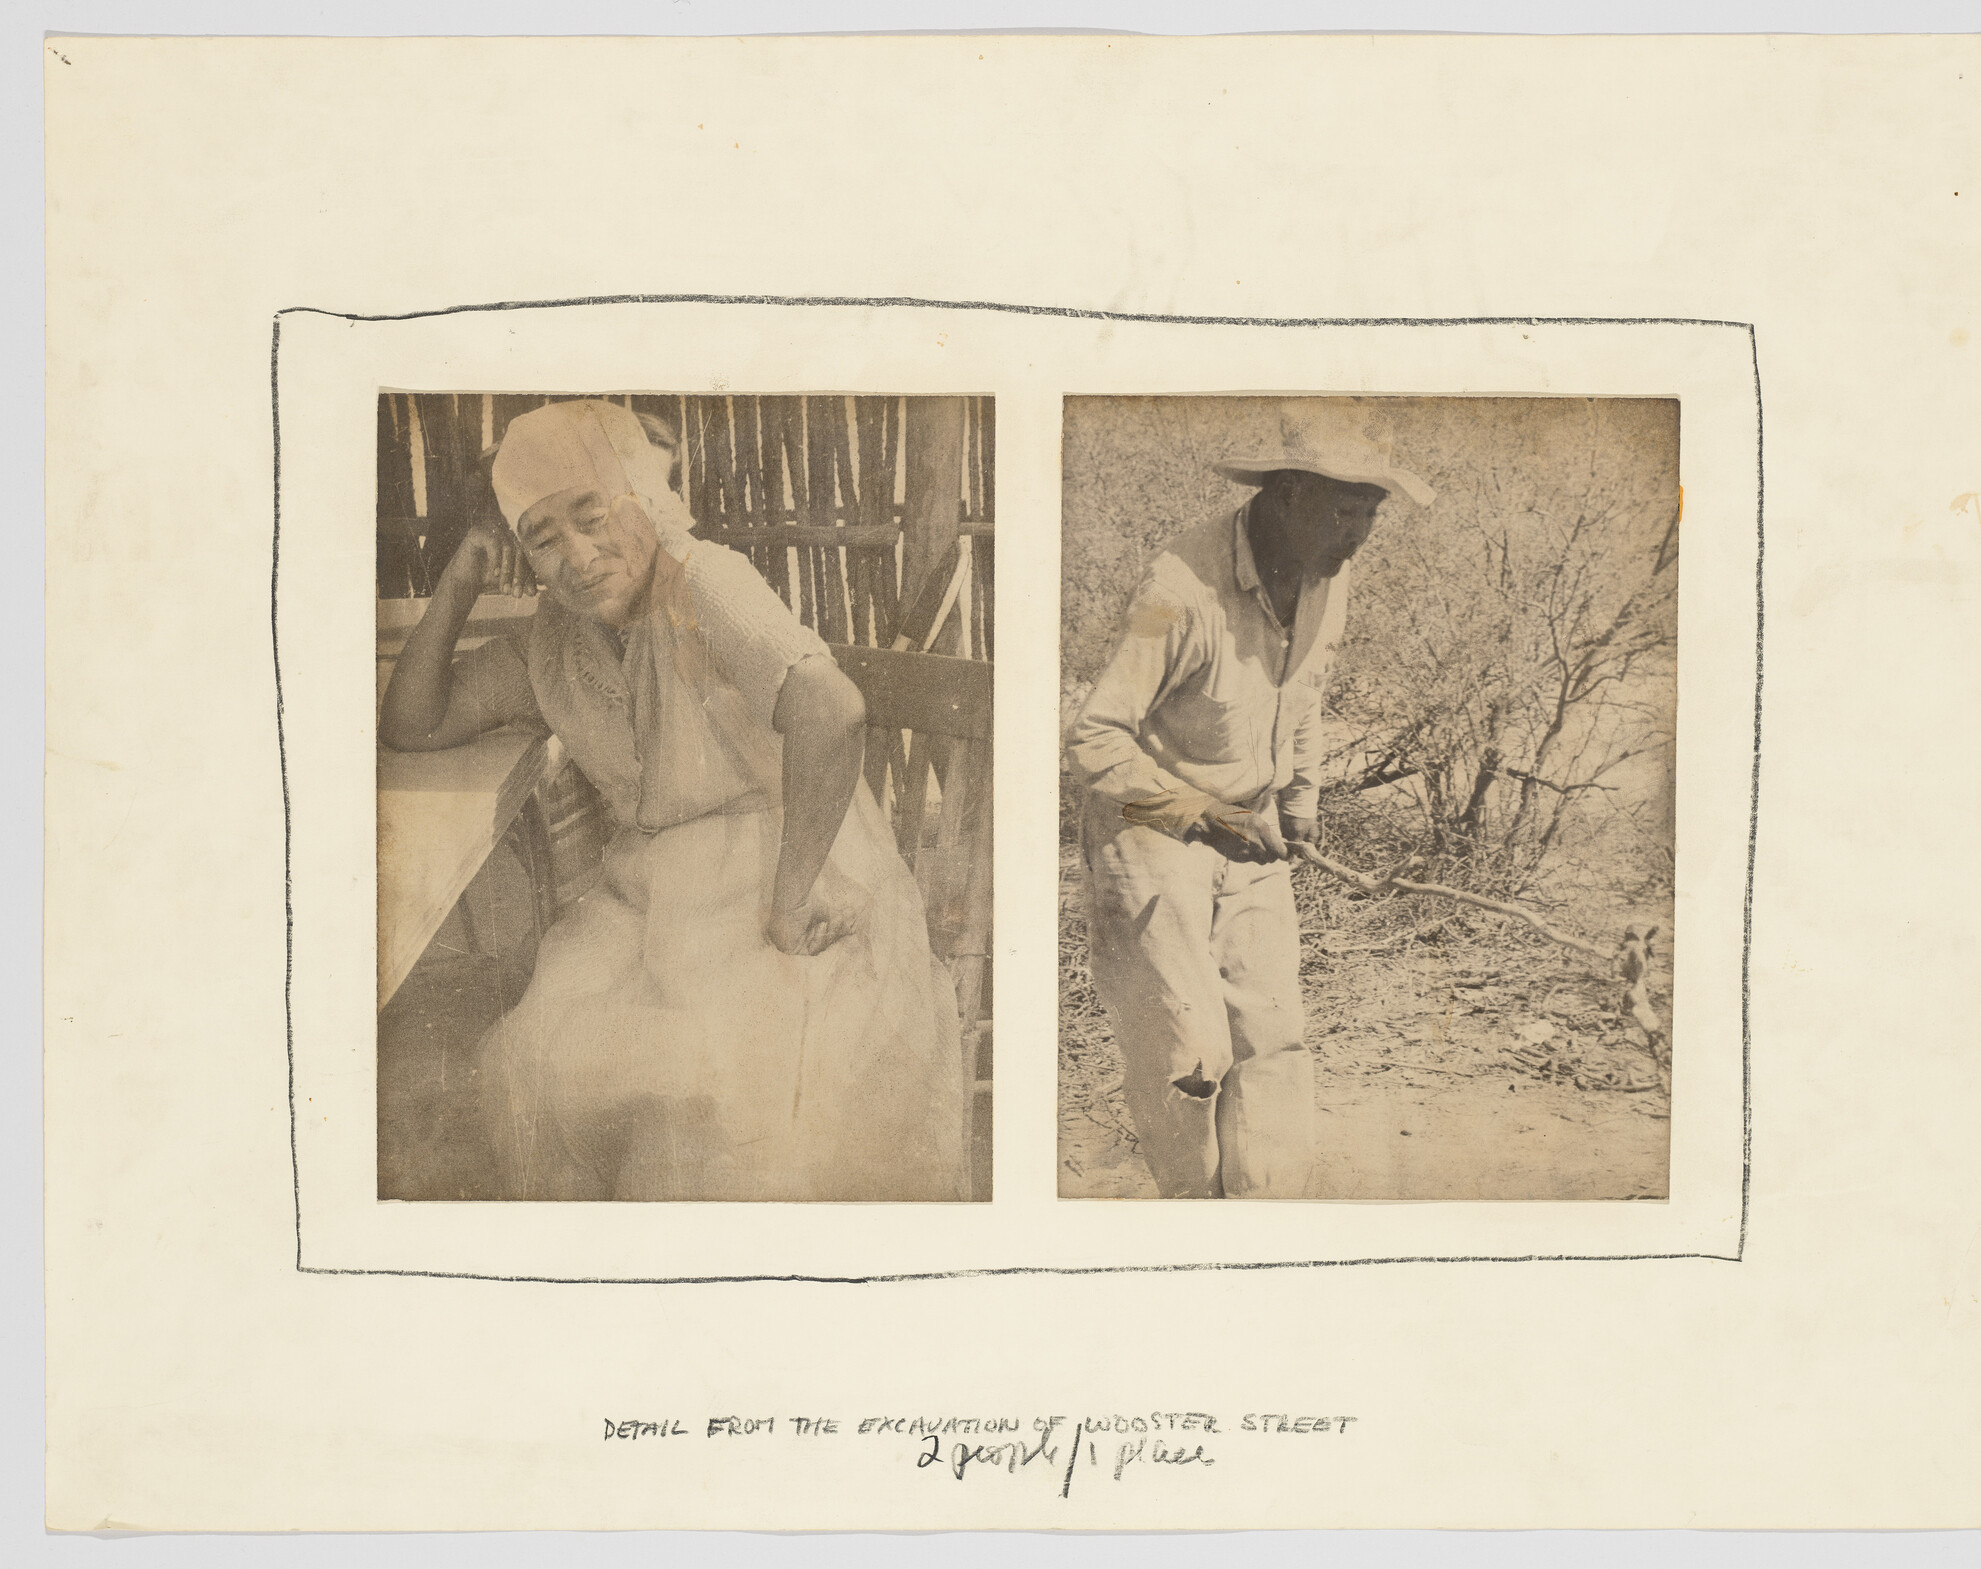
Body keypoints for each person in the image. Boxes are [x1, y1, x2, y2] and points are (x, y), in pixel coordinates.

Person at [380, 399, 966, 1201]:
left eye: (593, 516)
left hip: (792, 864)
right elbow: (416, 722)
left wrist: (791, 898)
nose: (579, 557)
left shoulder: (704, 582)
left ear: (645, 500)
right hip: (650, 900)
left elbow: (832, 711)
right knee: (537, 1062)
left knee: (713, 1093)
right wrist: (463, 574)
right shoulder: (553, 641)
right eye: (541, 540)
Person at [1064, 404, 1436, 1199]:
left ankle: (1265, 1225)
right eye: (1345, 512)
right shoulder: (1179, 589)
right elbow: (1095, 740)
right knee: (1189, 1053)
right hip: (1150, 828)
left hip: (1251, 828)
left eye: (1372, 515)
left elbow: (1305, 689)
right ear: (1288, 493)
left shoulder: (1329, 575)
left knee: (1272, 1041)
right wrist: (1199, 816)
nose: (1359, 536)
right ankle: (1195, 1217)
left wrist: (1299, 800)